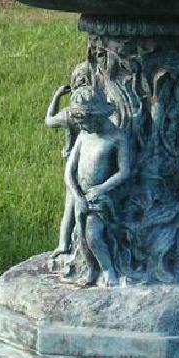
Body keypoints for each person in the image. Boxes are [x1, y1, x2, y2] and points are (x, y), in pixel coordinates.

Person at [54, 86, 133, 287]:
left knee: (93, 235)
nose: (84, 127)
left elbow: (124, 172)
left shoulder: (117, 137)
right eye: (81, 123)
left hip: (102, 197)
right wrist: (77, 194)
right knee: (81, 236)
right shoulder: (83, 136)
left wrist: (101, 189)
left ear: (99, 115)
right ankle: (91, 269)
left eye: (87, 122)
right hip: (81, 196)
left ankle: (108, 270)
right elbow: (69, 172)